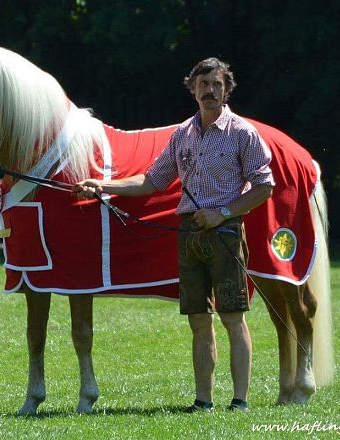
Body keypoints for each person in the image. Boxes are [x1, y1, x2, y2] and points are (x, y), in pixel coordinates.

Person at [74, 57, 275, 412]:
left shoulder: (243, 133)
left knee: (232, 317)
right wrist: (101, 185)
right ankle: (203, 401)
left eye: (216, 84)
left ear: (226, 89)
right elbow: (151, 181)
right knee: (198, 320)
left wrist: (223, 213)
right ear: (193, 90)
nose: (209, 91)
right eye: (203, 85)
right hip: (189, 236)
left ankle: (240, 400)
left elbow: (264, 186)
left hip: (225, 233)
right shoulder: (182, 133)